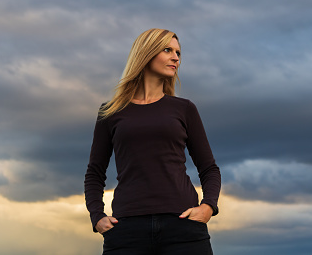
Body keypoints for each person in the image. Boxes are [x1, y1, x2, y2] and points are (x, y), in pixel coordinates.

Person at [84, 28, 221, 255]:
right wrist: (97, 216)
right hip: (126, 229)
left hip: (183, 227)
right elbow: (95, 172)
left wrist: (208, 206)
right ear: (146, 54)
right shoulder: (110, 112)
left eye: (178, 52)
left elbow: (209, 168)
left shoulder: (184, 109)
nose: (175, 57)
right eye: (167, 50)